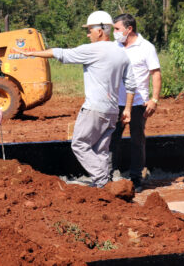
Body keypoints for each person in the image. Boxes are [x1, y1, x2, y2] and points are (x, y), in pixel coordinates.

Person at [16, 11, 136, 188]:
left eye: (89, 30)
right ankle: (104, 187)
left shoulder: (92, 50)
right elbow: (131, 84)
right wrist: (127, 109)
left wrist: (31, 53)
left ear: (101, 31)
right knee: (101, 150)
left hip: (94, 109)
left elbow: (61, 53)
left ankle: (103, 181)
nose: (88, 34)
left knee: (79, 144)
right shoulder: (121, 53)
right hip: (112, 110)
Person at [109, 13, 161, 191]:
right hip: (116, 103)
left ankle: (136, 178)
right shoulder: (114, 47)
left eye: (117, 29)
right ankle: (110, 174)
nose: (114, 32)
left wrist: (154, 99)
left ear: (129, 29)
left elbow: (156, 74)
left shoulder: (146, 47)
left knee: (137, 140)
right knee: (112, 138)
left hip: (139, 103)